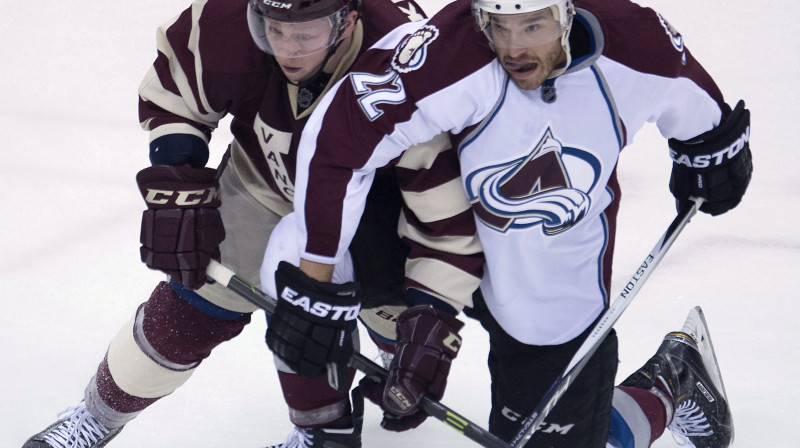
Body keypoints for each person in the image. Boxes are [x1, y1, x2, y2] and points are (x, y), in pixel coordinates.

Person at [262, 0, 751, 447]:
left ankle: (671, 381)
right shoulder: (446, 55)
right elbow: (336, 146)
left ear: (565, 13)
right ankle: (324, 430)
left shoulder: (636, 44)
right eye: (497, 26)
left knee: (551, 438)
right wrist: (314, 286)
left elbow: (699, 106)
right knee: (292, 257)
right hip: (430, 230)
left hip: (547, 267)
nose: (513, 48)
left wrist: (713, 150)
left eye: (532, 26)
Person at [22, 0, 483, 447]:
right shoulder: (228, 20)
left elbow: (444, 222)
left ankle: (373, 361)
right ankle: (95, 417)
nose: (287, 50)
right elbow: (176, 95)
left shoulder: (410, 61)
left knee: (401, 334)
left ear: (349, 21)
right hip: (263, 186)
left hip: (377, 211)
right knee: (187, 312)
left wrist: (430, 317)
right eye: (273, 30)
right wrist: (178, 192)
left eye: (305, 34)